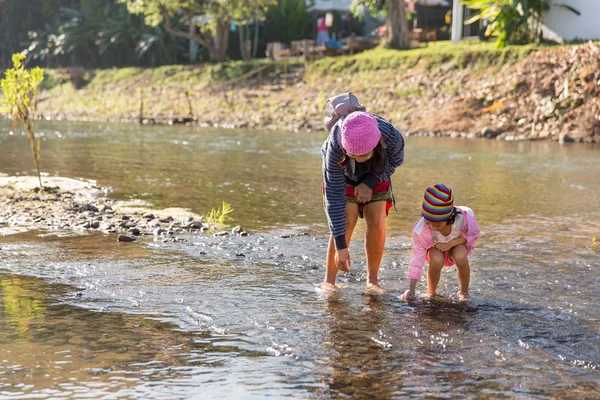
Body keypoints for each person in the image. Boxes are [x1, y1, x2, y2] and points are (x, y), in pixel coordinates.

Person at [321, 111, 405, 293]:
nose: (359, 159)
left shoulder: (392, 137)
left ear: (375, 144)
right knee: (346, 220)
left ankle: (372, 280)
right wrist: (341, 247)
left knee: (377, 219)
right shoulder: (335, 146)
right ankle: (329, 281)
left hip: (377, 172)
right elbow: (333, 199)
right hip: (343, 174)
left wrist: (370, 182)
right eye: (354, 155)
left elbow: (397, 160)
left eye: (364, 155)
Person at [401, 184, 480, 302]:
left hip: (456, 247)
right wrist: (411, 289)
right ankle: (431, 292)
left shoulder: (464, 218)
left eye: (437, 224)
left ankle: (464, 292)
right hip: (435, 251)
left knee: (460, 255)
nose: (432, 227)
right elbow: (417, 258)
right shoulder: (421, 229)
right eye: (429, 222)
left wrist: (450, 244)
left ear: (449, 217)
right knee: (437, 259)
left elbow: (473, 236)